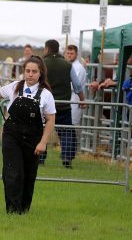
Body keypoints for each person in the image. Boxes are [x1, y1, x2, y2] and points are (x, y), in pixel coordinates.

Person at [0, 56, 56, 214]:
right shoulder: (14, 87)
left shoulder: (46, 95)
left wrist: (43, 142)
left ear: (40, 74)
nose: (30, 74)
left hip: (33, 137)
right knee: (12, 172)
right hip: (12, 135)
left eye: (34, 71)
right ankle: (12, 210)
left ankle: (23, 209)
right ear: (24, 72)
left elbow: (51, 119)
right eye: (27, 71)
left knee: (28, 174)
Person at [43, 39, 85, 168]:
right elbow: (77, 85)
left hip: (45, 105)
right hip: (63, 104)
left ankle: (40, 158)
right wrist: (82, 100)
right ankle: (67, 157)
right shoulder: (67, 65)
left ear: (47, 49)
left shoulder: (42, 64)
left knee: (42, 130)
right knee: (66, 131)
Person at [64, 45, 87, 126]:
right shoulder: (67, 65)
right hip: (68, 99)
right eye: (68, 53)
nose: (69, 55)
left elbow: (75, 85)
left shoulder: (79, 68)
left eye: (72, 53)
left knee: (73, 126)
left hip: (74, 99)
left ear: (76, 54)